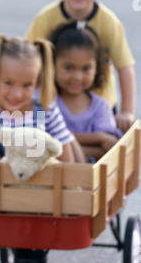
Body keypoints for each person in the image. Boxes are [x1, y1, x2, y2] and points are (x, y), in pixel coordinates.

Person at [25, 0, 136, 133]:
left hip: (100, 107)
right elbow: (27, 60)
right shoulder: (45, 19)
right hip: (55, 105)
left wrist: (126, 111)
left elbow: (125, 67)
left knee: (107, 150)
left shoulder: (109, 22)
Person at [0, 33, 75, 161]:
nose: (17, 95)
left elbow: (67, 162)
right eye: (8, 83)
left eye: (27, 85)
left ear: (37, 82)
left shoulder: (47, 112)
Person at [50, 21, 123, 161]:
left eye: (86, 69)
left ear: (97, 68)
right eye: (69, 68)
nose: (77, 77)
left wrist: (64, 148)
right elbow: (43, 138)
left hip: (91, 181)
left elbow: (109, 147)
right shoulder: (47, 101)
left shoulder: (100, 107)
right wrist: (98, 137)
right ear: (53, 65)